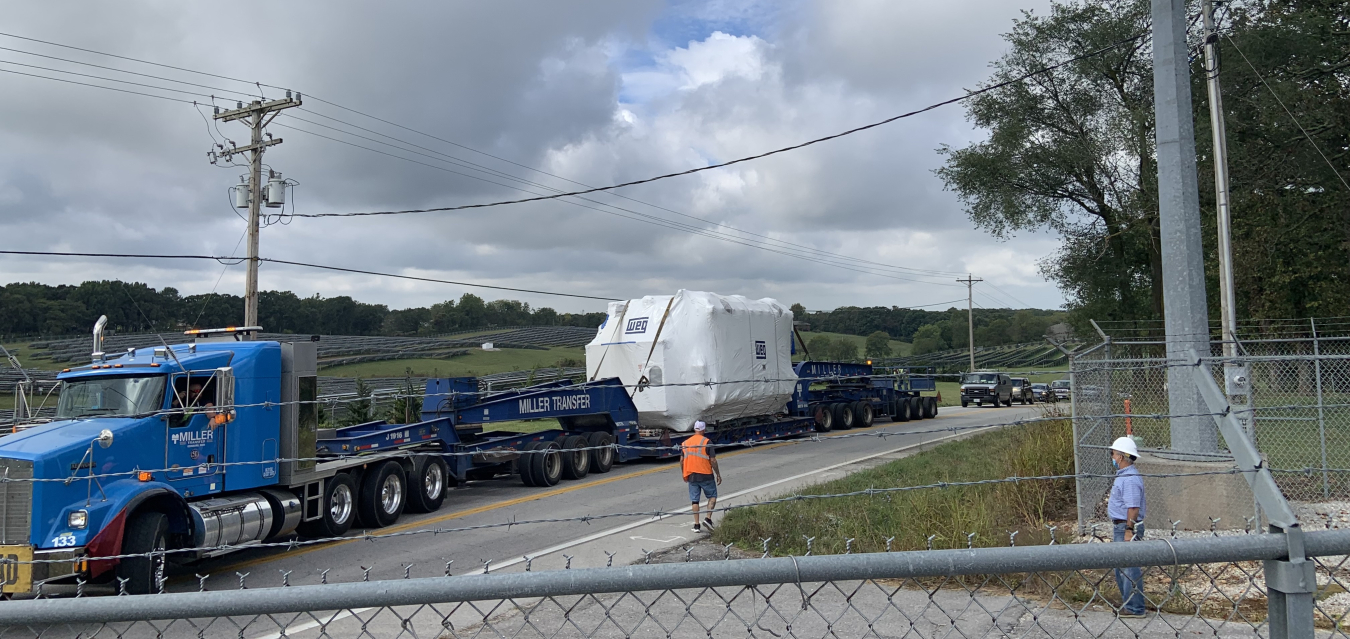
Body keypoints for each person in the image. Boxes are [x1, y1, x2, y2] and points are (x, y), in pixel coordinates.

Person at [1108, 436, 1147, 618]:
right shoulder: (1125, 476)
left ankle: (1135, 608)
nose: (1113, 457)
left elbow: (1133, 507)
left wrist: (1128, 530)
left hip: (1125, 526)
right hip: (1121, 525)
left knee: (1129, 568)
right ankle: (1128, 602)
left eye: (1114, 454)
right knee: (1122, 567)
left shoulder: (1129, 478)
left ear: (1122, 456)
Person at [681, 421, 722, 533]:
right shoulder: (707, 442)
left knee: (695, 500)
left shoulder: (685, 443)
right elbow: (713, 460)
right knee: (712, 496)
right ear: (703, 430)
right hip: (706, 474)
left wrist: (684, 473)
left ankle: (696, 525)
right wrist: (718, 474)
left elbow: (682, 460)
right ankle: (708, 519)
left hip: (692, 475)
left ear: (694, 429)